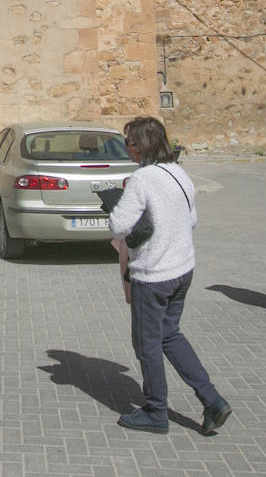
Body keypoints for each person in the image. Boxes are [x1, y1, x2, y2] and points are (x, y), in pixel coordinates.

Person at [108, 116, 231, 436]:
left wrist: (118, 210)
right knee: (170, 335)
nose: (128, 149)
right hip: (182, 269)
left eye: (130, 143)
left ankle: (155, 411)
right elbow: (191, 219)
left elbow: (118, 226)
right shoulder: (179, 173)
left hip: (154, 273)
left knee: (147, 344)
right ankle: (212, 400)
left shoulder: (142, 179)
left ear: (142, 145)